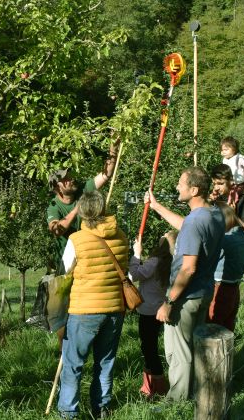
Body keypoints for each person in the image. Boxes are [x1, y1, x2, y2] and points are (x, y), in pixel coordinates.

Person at [145, 166, 225, 401]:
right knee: (194, 349)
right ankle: (196, 394)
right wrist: (156, 206)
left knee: (179, 353)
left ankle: (176, 402)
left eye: (181, 183)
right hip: (203, 293)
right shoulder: (213, 215)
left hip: (185, 297)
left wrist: (169, 301)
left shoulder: (194, 223)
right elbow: (187, 226)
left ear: (194, 189)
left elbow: (188, 268)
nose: (177, 186)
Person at [57, 191, 128, 419]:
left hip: (84, 309)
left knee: (73, 363)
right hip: (115, 309)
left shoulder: (76, 240)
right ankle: (101, 409)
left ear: (83, 212)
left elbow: (64, 272)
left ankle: (69, 411)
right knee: (105, 362)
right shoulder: (122, 237)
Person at [46, 139, 119, 274]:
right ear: (58, 188)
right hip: (66, 265)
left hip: (87, 259)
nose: (71, 179)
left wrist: (113, 148)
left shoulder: (83, 189)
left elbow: (106, 174)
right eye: (65, 179)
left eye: (69, 175)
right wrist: (76, 210)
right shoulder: (53, 206)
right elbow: (57, 230)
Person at [129, 230, 176, 399]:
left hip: (148, 311)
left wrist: (136, 253)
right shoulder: (172, 262)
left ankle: (158, 385)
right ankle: (148, 385)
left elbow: (134, 274)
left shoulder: (154, 262)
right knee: (150, 346)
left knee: (148, 348)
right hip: (160, 309)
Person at [207, 201, 244, 331]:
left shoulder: (225, 238)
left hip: (220, 288)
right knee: (227, 326)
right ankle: (228, 351)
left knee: (213, 327)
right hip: (234, 286)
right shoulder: (242, 233)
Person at [220, 136, 244, 204]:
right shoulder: (225, 160)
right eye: (222, 150)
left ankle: (231, 207)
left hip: (239, 183)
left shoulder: (239, 159)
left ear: (234, 149)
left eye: (226, 150)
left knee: (233, 195)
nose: (224, 152)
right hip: (229, 183)